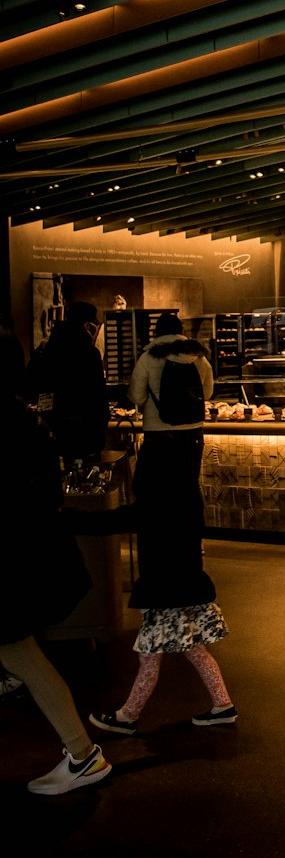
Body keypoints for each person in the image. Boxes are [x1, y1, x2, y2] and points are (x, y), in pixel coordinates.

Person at [90, 312, 237, 734]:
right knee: (190, 647)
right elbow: (209, 391)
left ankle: (128, 717)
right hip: (193, 440)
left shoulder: (149, 356)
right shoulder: (198, 356)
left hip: (159, 438)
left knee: (155, 652)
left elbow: (136, 396)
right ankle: (218, 705)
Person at [0, 333, 113, 795]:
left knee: (17, 649)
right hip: (23, 556)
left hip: (11, 559)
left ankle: (84, 754)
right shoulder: (21, 416)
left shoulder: (7, 420)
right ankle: (82, 753)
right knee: (16, 651)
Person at [24, 299, 109, 462]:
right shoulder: (89, 354)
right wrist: (101, 423)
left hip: (54, 426)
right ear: (87, 325)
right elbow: (97, 392)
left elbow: (32, 385)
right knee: (86, 477)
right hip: (85, 429)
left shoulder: (49, 348)